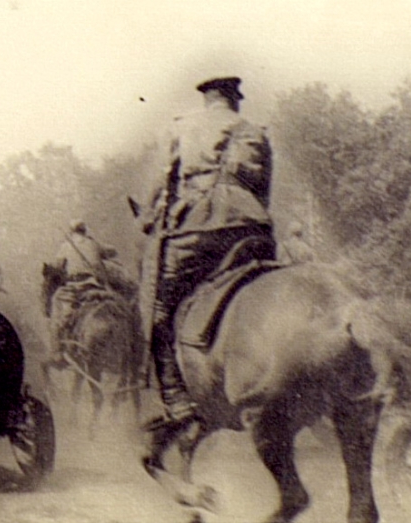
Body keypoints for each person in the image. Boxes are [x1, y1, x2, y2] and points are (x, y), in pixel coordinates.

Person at [140, 76, 276, 429]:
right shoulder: (254, 130)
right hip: (253, 229)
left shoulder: (182, 129)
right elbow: (265, 190)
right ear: (234, 100)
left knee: (158, 311)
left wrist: (148, 214)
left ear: (208, 99)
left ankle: (176, 399)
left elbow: (163, 180)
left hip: (197, 229)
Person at [48, 220, 119, 355]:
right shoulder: (93, 243)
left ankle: (56, 351)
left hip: (75, 287)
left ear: (71, 231)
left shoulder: (66, 246)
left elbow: (57, 267)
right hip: (94, 286)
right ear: (84, 230)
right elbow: (112, 252)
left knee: (56, 301)